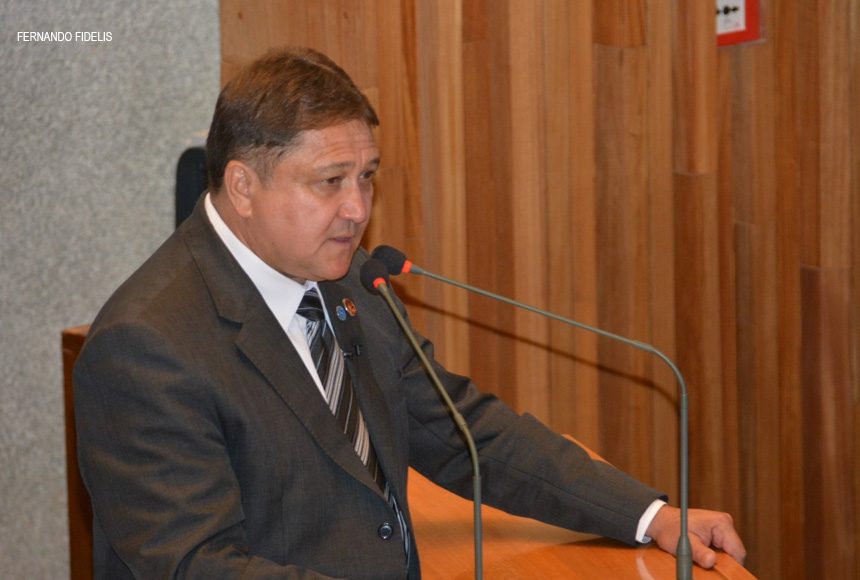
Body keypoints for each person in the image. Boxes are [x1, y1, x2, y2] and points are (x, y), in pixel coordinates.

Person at [74, 46, 746, 579]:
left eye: (366, 177)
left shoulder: (351, 282)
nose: (357, 209)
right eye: (330, 182)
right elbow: (197, 566)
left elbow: (464, 433)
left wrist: (649, 514)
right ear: (243, 186)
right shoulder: (147, 345)